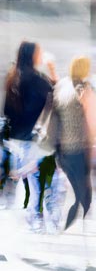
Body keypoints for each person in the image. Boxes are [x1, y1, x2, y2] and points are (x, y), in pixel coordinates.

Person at [4, 41, 58, 232]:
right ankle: (35, 219)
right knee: (36, 181)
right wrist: (52, 68)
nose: (41, 56)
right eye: (39, 53)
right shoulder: (38, 79)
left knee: (26, 180)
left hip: (15, 139)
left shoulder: (12, 77)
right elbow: (56, 93)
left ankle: (31, 218)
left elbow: (7, 111)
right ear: (33, 55)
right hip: (31, 139)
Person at [49, 56, 96, 235]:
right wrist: (95, 143)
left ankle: (67, 225)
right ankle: (72, 228)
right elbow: (92, 122)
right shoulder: (84, 89)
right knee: (83, 194)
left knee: (77, 190)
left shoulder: (62, 85)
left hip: (62, 151)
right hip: (80, 149)